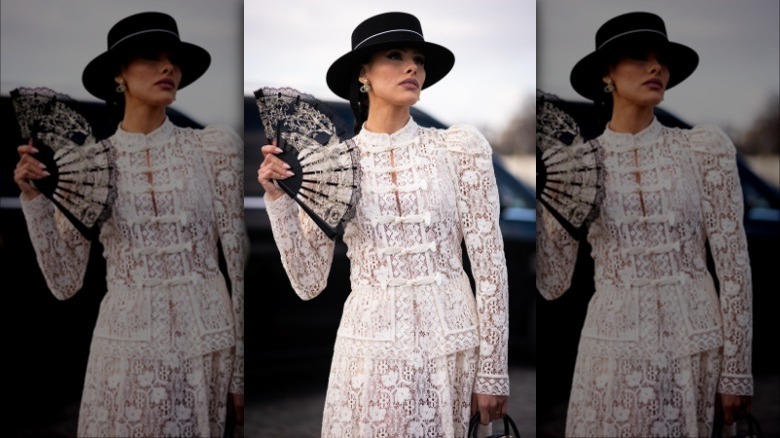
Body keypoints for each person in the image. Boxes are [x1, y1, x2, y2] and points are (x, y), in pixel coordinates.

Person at [257, 11, 509, 437]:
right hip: (369, 352)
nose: (412, 68)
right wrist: (278, 200)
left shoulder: (458, 148)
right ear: (363, 74)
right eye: (396, 56)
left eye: (418, 60)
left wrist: (493, 373)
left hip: (452, 346)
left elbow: (490, 267)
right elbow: (308, 281)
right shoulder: (333, 166)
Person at [12, 12, 244, 437]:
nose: (167, 67)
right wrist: (34, 201)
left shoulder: (214, 149)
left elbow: (236, 264)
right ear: (119, 73)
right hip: (124, 349)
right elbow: (65, 281)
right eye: (151, 58)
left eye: (173, 60)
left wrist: (240, 373)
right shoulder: (88, 166)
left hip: (207, 343)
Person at [536, 11, 753, 437]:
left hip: (696, 343)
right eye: (640, 57)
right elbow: (553, 283)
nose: (656, 68)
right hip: (611, 347)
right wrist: (554, 201)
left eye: (662, 61)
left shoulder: (702, 149)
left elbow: (734, 268)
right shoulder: (581, 165)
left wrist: (737, 372)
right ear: (607, 74)